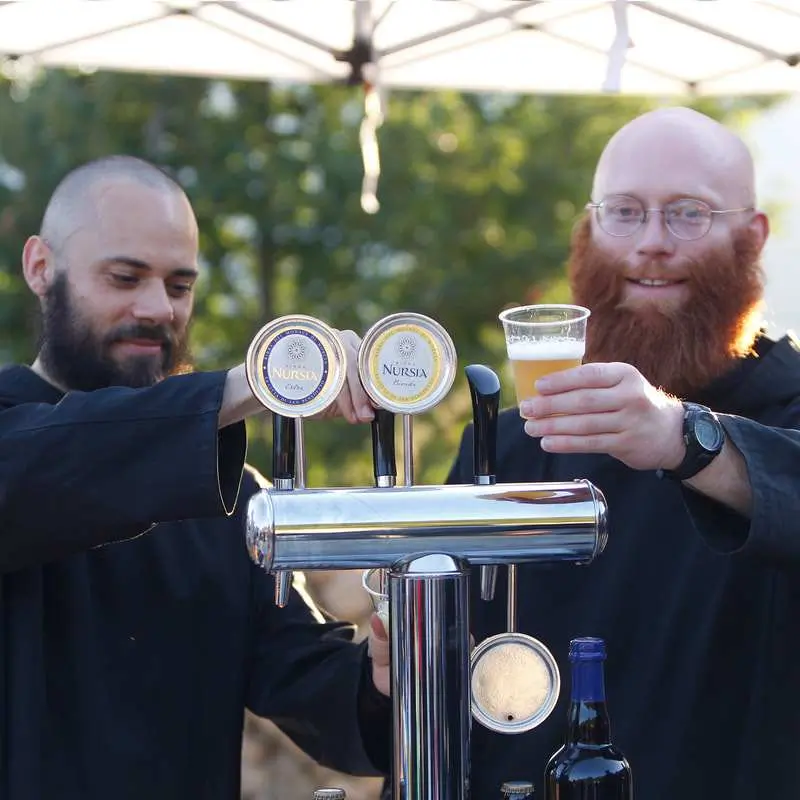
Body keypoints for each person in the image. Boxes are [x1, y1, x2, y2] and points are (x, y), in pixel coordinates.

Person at [366, 106, 800, 800]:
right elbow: (429, 700)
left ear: (751, 237)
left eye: (688, 214)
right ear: (589, 231)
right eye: (624, 213)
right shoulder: (508, 444)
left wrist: (684, 438)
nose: (651, 244)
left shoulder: (789, 410)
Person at [0, 155, 390, 800]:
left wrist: (385, 677)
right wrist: (258, 380)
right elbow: (38, 471)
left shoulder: (235, 501)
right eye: (125, 278)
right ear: (41, 267)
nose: (157, 308)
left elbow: (320, 697)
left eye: (180, 286)